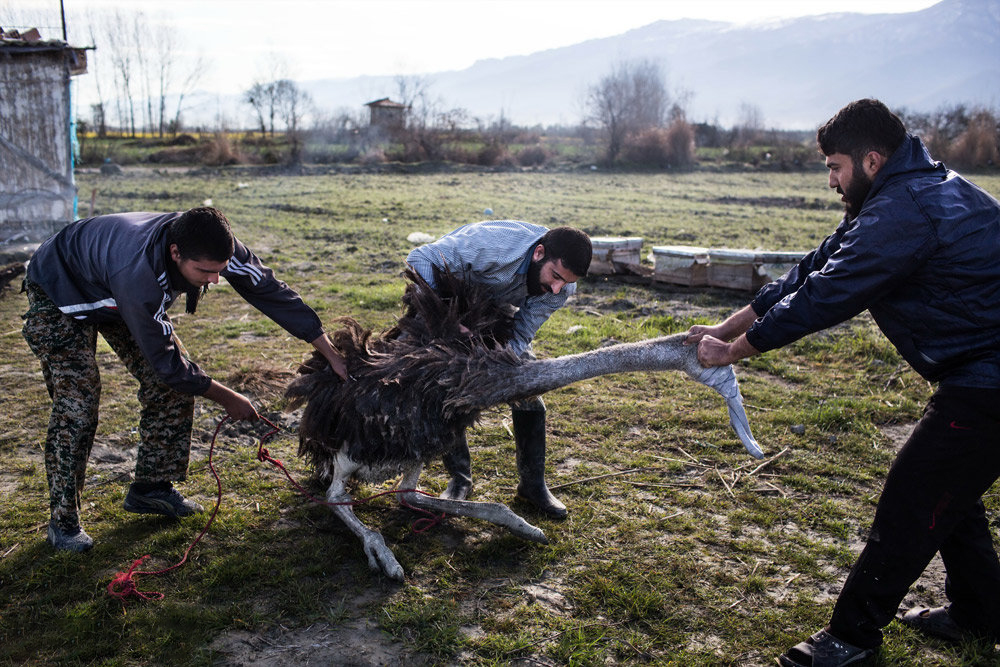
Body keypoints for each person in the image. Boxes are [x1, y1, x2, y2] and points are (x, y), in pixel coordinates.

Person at [685, 99, 1000, 666]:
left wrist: (734, 352)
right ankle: (979, 614)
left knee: (913, 496)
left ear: (872, 160)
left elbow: (827, 296)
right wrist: (724, 329)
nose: (831, 180)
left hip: (989, 381)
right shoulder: (907, 192)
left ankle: (851, 640)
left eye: (835, 167)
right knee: (951, 490)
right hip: (980, 373)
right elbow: (811, 270)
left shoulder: (904, 211)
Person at [22, 207, 348, 553]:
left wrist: (329, 351)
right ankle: (63, 522)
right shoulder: (138, 275)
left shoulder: (214, 243)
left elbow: (268, 289)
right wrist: (228, 397)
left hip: (111, 283)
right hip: (61, 286)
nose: (215, 280)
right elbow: (169, 364)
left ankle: (152, 488)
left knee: (171, 388)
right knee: (79, 404)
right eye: (205, 272)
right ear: (175, 252)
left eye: (220, 270)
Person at [406, 220, 592, 519]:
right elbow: (420, 258)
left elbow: (521, 333)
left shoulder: (560, 289)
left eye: (565, 282)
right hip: (444, 298)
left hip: (494, 310)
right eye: (555, 276)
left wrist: (496, 367)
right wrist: (445, 318)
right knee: (447, 387)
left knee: (528, 391)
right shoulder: (493, 245)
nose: (557, 288)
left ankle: (533, 485)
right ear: (538, 253)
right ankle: (460, 478)